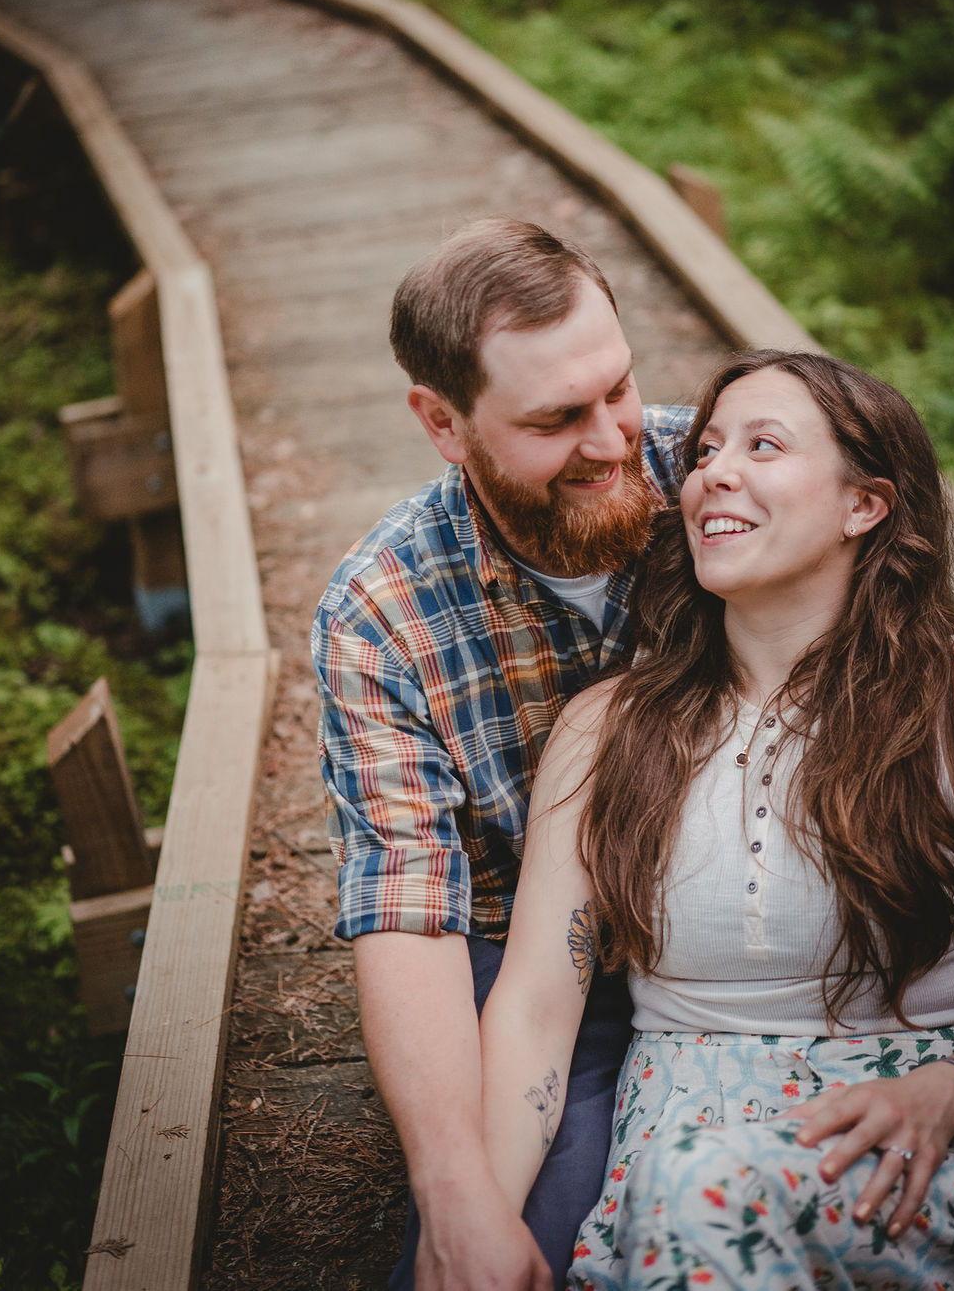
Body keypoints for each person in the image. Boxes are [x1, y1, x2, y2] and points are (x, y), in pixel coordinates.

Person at [479, 348, 954, 1289]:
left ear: (863, 505)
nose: (713, 469)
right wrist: (477, 1215)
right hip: (680, 1170)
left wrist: (949, 1092)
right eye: (709, 447)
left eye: (764, 445)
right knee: (696, 1190)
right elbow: (534, 1009)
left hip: (921, 1153)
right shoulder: (608, 728)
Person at [312, 218, 694, 1291]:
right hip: (531, 981)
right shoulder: (380, 613)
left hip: (745, 934)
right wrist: (450, 1191)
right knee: (511, 1240)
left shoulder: (722, 484)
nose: (613, 441)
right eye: (554, 419)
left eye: (615, 388)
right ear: (442, 421)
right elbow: (405, 902)